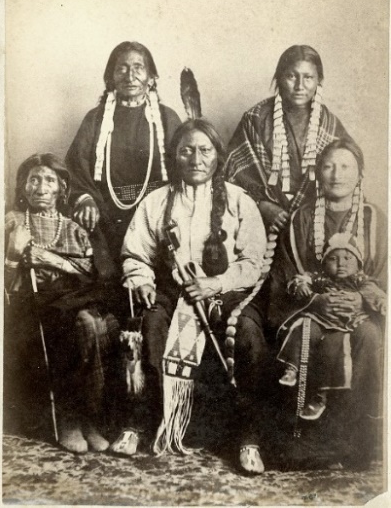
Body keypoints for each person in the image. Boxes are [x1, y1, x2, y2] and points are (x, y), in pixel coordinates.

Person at [121, 118, 270, 474]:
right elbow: (135, 254)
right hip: (173, 290)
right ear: (175, 155)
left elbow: (253, 261)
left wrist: (215, 284)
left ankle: (248, 438)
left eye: (205, 150)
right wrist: (141, 279)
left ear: (218, 155)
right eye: (186, 150)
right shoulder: (156, 202)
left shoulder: (238, 200)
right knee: (152, 322)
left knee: (247, 334)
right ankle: (140, 425)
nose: (196, 158)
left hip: (228, 291)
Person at [268, 139, 386, 468]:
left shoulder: (375, 220)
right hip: (312, 312)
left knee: (370, 337)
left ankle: (358, 442)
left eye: (346, 166)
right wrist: (317, 301)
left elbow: (382, 275)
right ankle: (306, 442)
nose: (337, 174)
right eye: (329, 166)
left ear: (360, 173)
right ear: (318, 172)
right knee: (312, 337)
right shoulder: (301, 220)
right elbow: (287, 276)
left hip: (360, 312)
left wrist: (361, 297)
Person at [4, 153, 121, 454]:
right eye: (33, 180)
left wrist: (51, 260)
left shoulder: (75, 229)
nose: (41, 188)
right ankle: (69, 417)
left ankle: (89, 417)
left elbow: (91, 274)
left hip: (71, 301)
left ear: (61, 189)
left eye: (49, 180)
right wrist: (14, 256)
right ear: (24, 187)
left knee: (96, 323)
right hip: (30, 309)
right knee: (76, 322)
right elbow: (7, 288)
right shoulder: (11, 225)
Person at [66, 41, 181, 275]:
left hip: (157, 215)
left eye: (138, 67)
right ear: (111, 77)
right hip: (106, 216)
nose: (130, 75)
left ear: (151, 77)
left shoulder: (168, 118)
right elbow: (76, 166)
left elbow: (185, 168)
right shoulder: (96, 119)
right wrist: (85, 200)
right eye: (122, 68)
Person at [225, 45, 353, 231]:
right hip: (262, 219)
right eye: (291, 76)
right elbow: (232, 174)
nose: (300, 86)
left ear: (319, 81)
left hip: (315, 220)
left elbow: (350, 175)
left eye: (308, 77)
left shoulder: (330, 125)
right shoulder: (256, 119)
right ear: (279, 78)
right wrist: (262, 205)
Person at [277, 232, 386, 420]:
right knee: (304, 326)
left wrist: (381, 302)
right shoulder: (321, 279)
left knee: (333, 348)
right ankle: (291, 368)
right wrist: (301, 285)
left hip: (349, 322)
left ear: (358, 263)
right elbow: (302, 279)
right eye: (333, 259)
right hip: (321, 319)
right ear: (325, 263)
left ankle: (321, 397)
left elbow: (373, 291)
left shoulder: (360, 280)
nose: (341, 263)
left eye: (347, 258)